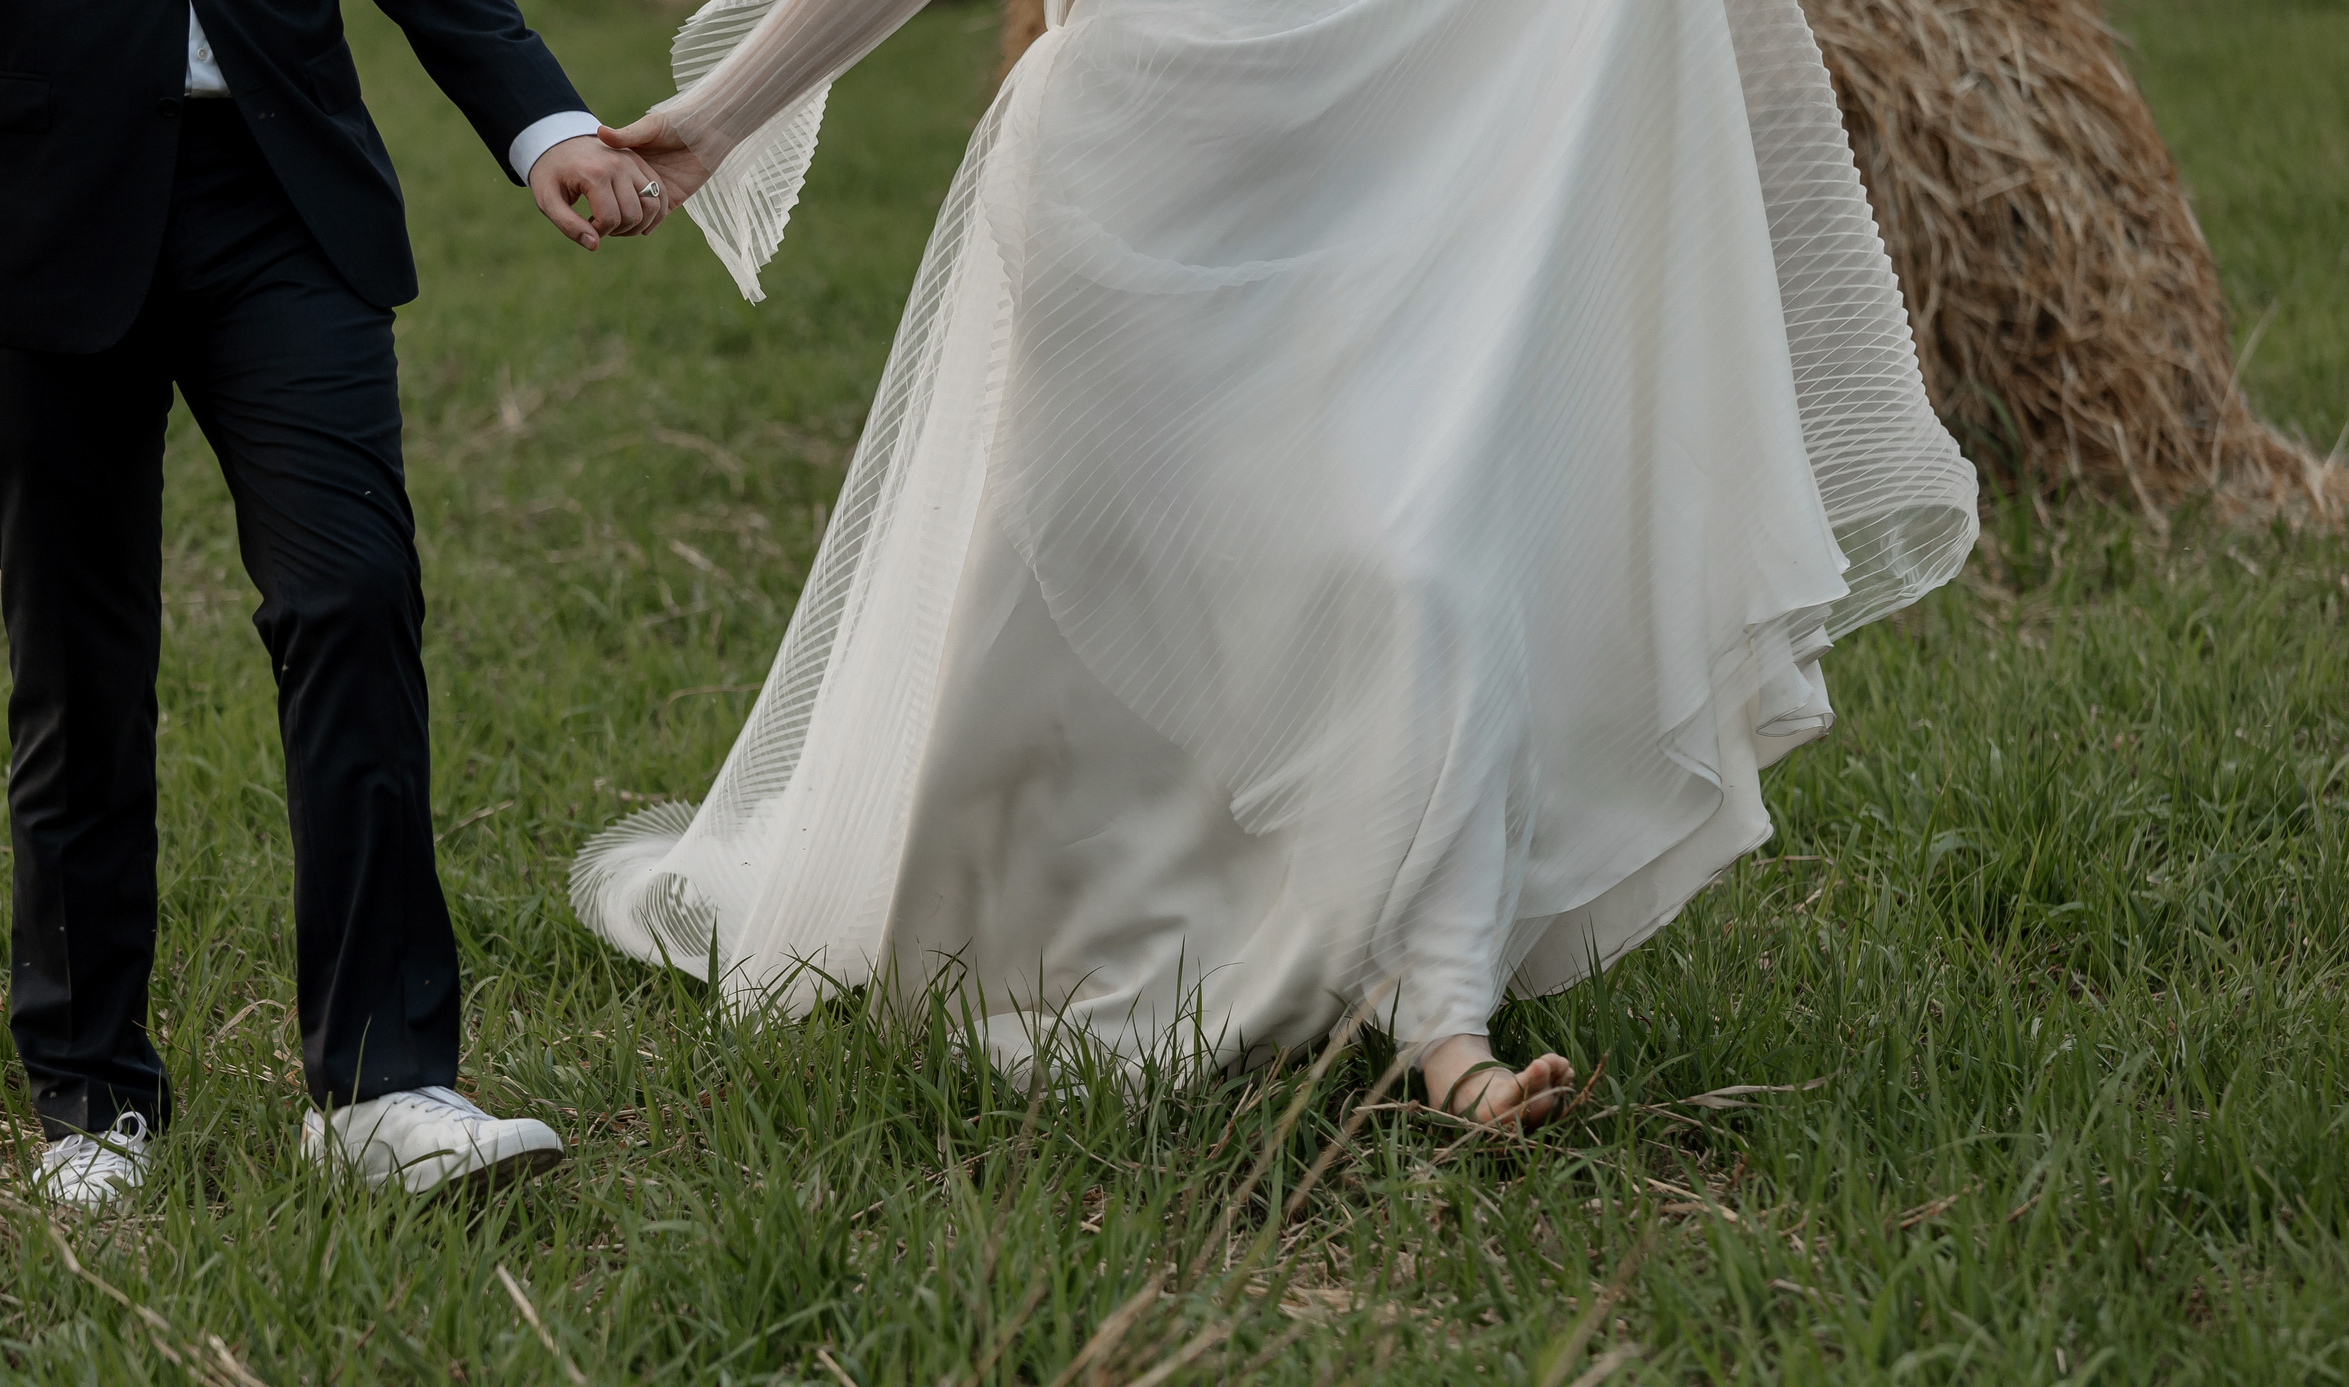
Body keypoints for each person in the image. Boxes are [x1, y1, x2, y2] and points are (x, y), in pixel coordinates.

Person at [576, 0, 1980, 1123]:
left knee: (1421, 564)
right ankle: (1059, 911)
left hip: (1375, 157)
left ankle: (1444, 1021)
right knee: (1112, 586)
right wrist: (720, 116)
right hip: (1136, 169)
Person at [0, 1, 668, 1203]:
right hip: (24, 197)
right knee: (76, 662)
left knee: (355, 593)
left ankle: (384, 1088)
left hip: (284, 189)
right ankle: (91, 1100)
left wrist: (546, 123)